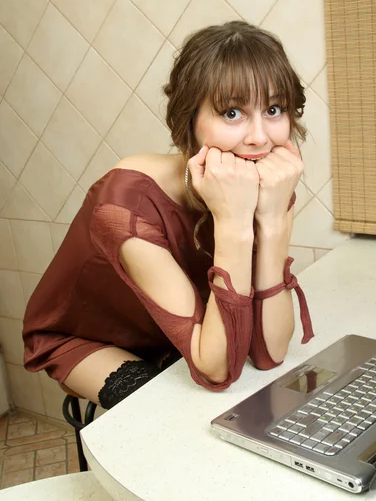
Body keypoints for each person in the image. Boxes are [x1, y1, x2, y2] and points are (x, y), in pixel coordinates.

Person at [22, 21, 314, 410]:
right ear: (188, 119)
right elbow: (217, 370)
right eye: (232, 112)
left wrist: (274, 220)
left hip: (188, 327)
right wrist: (231, 223)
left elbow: (269, 352)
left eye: (274, 109)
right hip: (88, 337)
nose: (259, 137)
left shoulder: (266, 185)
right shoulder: (126, 204)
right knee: (173, 417)